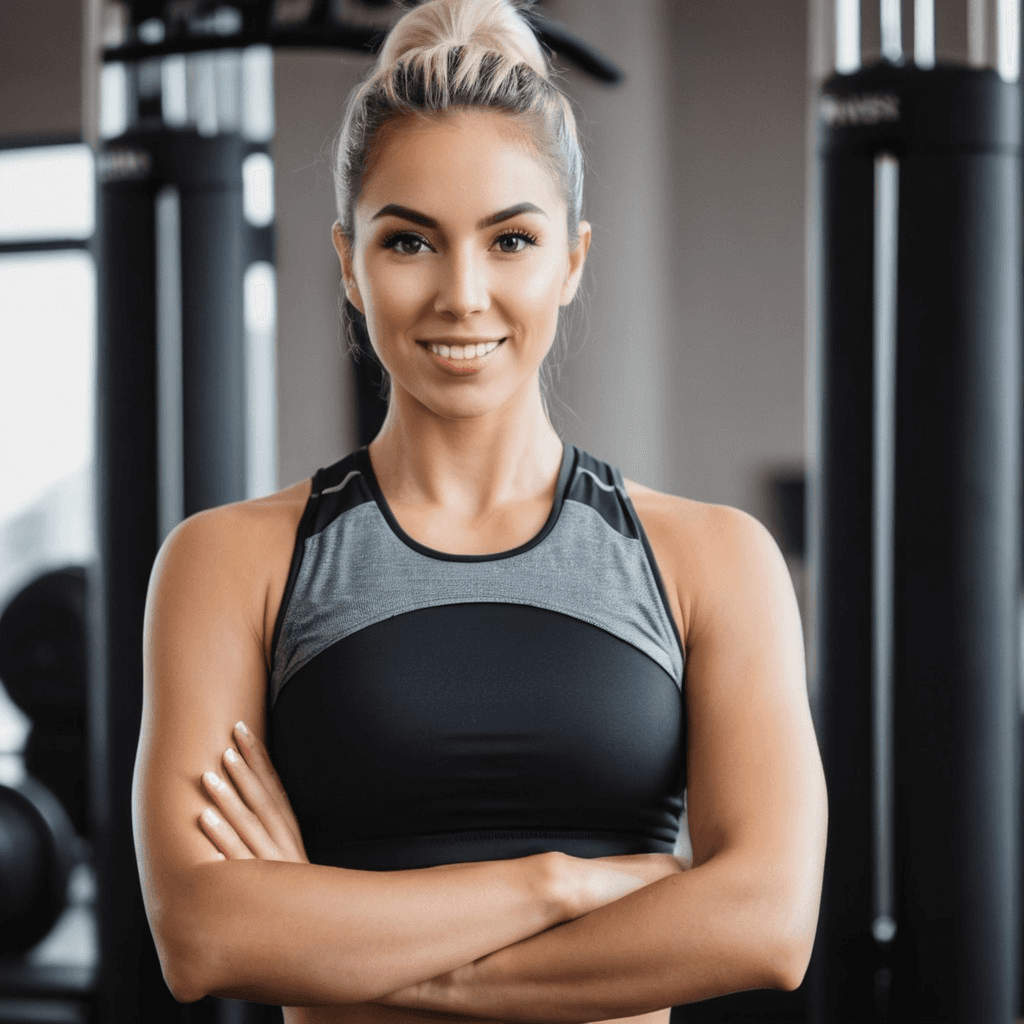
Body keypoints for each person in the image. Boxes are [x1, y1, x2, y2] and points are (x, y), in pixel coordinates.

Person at [133, 1, 827, 1021]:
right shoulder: (230, 562)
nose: (462, 293)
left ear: (572, 260)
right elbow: (204, 937)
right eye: (410, 242)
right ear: (347, 262)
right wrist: (563, 884)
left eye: (510, 240)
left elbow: (765, 924)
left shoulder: (710, 560)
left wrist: (343, 949)